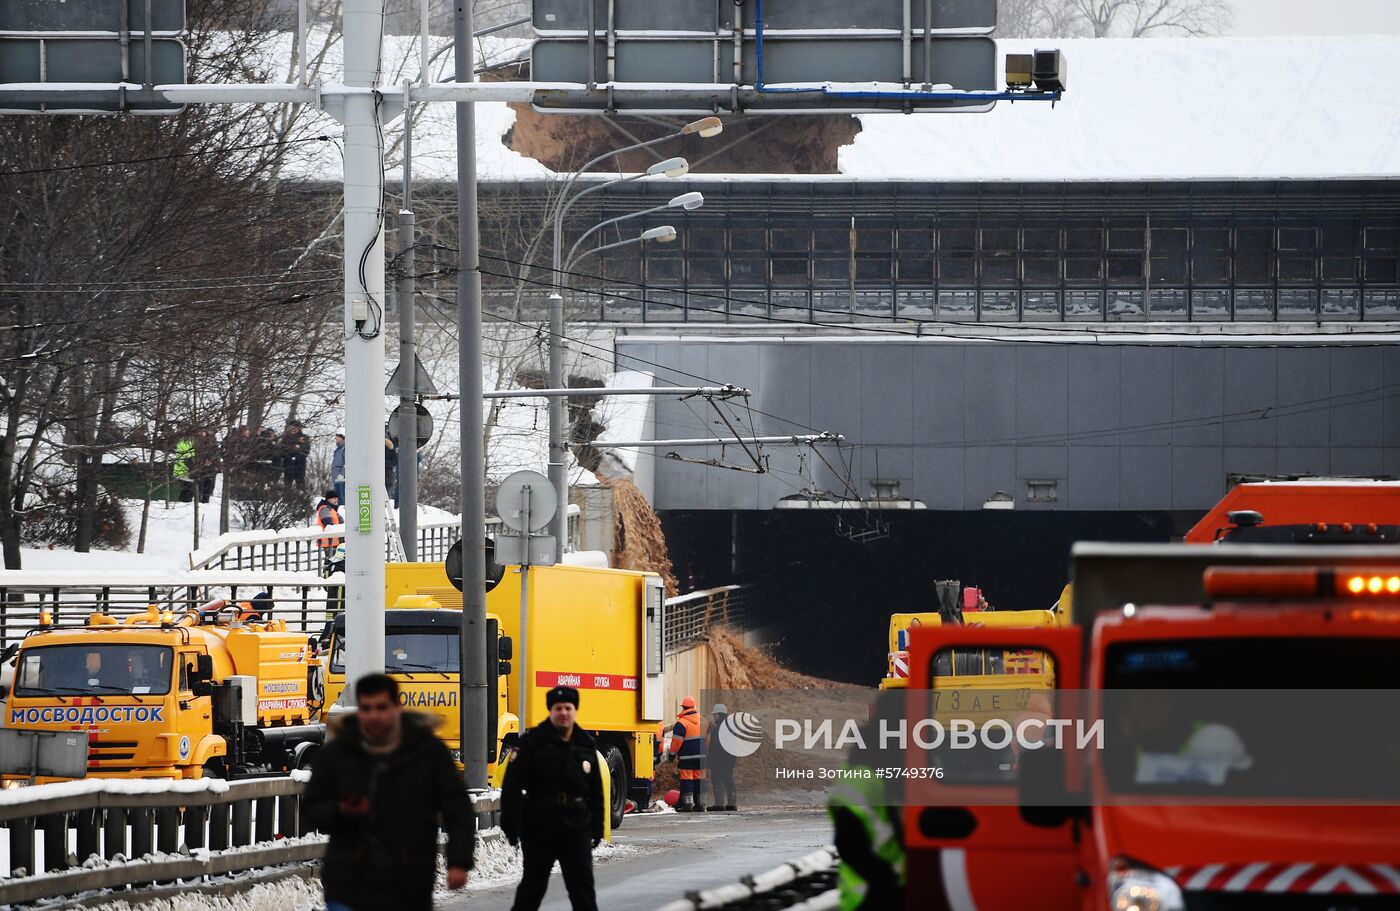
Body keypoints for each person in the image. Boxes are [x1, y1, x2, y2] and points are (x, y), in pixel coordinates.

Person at [304, 673, 474, 911]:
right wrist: (340, 810)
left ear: (397, 707)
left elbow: (458, 809)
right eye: (366, 708)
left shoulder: (427, 753)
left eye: (381, 707)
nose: (374, 715)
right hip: (348, 883)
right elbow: (312, 808)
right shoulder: (339, 754)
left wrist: (459, 861)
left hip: (407, 883)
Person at [501, 685, 604, 911]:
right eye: (559, 708)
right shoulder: (531, 742)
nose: (564, 713)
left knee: (583, 889)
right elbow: (512, 786)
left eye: (568, 708)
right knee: (532, 888)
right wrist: (510, 825)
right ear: (551, 711)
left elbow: (595, 790)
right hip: (540, 825)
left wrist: (598, 826)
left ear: (574, 710)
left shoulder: (586, 743)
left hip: (576, 826)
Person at [664, 695, 707, 812]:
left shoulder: (682, 723)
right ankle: (701, 804)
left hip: (687, 757)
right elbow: (708, 739)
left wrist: (672, 755)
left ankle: (687, 803)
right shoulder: (703, 720)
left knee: (687, 779)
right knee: (699, 779)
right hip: (702, 757)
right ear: (693, 706)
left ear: (683, 707)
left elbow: (676, 742)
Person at [706, 702, 737, 812]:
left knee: (717, 781)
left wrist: (709, 761)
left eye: (715, 714)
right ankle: (732, 804)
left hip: (719, 762)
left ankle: (719, 804)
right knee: (729, 781)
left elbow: (714, 748)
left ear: (719, 715)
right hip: (729, 761)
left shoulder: (717, 730)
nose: (714, 716)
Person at [279, 420, 311, 488]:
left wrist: (295, 449)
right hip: (288, 463)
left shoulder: (304, 438)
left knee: (300, 483)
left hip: (300, 464)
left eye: (297, 427)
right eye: (293, 427)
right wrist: (294, 447)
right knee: (287, 484)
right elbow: (282, 450)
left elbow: (305, 450)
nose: (295, 429)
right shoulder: (285, 438)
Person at [315, 489, 342, 558]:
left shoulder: (332, 510)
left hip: (334, 541)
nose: (336, 500)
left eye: (337, 498)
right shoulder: (325, 509)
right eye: (334, 498)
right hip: (328, 542)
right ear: (328, 499)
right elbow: (328, 524)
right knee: (330, 562)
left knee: (335, 562)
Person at [331, 431, 347, 504]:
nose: (336, 439)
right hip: (336, 478)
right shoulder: (338, 450)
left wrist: (341, 475)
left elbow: (347, 464)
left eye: (337, 437)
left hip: (341, 479)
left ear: (342, 437)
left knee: (342, 498)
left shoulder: (345, 449)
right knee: (338, 499)